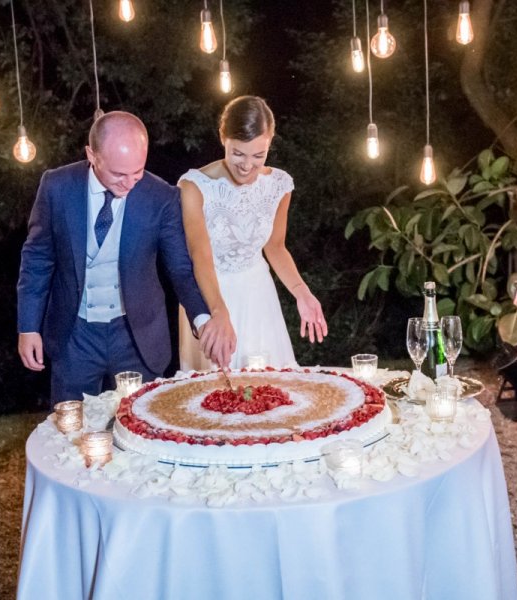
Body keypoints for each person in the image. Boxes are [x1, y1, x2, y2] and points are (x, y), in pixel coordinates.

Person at [17, 111, 235, 404]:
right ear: (92, 155)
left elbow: (180, 269)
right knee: (70, 431)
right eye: (119, 174)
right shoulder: (57, 187)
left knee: (142, 428)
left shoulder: (161, 196)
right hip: (74, 336)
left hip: (137, 336)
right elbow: (37, 259)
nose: (130, 183)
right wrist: (28, 326)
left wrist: (203, 318)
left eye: (138, 172)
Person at [177, 95, 327, 371]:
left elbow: (276, 247)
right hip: (211, 296)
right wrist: (218, 312)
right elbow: (200, 257)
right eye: (238, 154)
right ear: (224, 138)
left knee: (270, 391)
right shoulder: (195, 186)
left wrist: (302, 292)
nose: (247, 165)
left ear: (270, 142)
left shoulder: (279, 185)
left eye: (259, 155)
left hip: (259, 296)